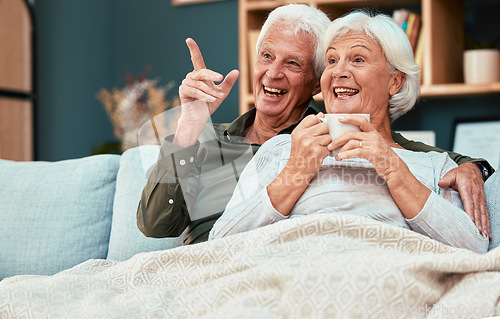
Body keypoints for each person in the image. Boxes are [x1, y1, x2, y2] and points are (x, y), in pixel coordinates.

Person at [138, 4, 492, 245]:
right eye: (266, 56)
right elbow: (156, 225)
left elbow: (400, 151)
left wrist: (470, 166)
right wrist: (189, 125)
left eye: (293, 63)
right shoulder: (219, 141)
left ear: (315, 84)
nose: (273, 73)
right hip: (212, 269)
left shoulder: (331, 138)